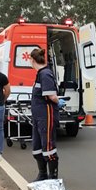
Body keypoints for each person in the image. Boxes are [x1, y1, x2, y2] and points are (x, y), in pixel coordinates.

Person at [29, 47, 64, 180]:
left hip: (46, 115)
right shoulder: (40, 74)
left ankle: (53, 177)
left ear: (32, 60)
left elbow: (51, 96)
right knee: (37, 147)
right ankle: (42, 174)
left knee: (48, 146)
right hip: (38, 116)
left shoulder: (45, 74)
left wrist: (58, 101)